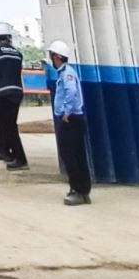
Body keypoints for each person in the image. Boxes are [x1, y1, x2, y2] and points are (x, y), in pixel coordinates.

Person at [48, 40, 91, 206]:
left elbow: (71, 91)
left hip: (71, 120)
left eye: (52, 56)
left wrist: (66, 112)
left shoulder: (67, 73)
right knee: (78, 155)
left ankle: (77, 190)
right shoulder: (65, 73)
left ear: (57, 57)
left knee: (70, 156)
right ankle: (83, 191)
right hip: (74, 119)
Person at [0, 22, 28, 169]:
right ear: (9, 37)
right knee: (11, 124)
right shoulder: (17, 53)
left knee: (8, 127)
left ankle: (20, 159)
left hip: (4, 92)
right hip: (17, 91)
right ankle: (12, 155)